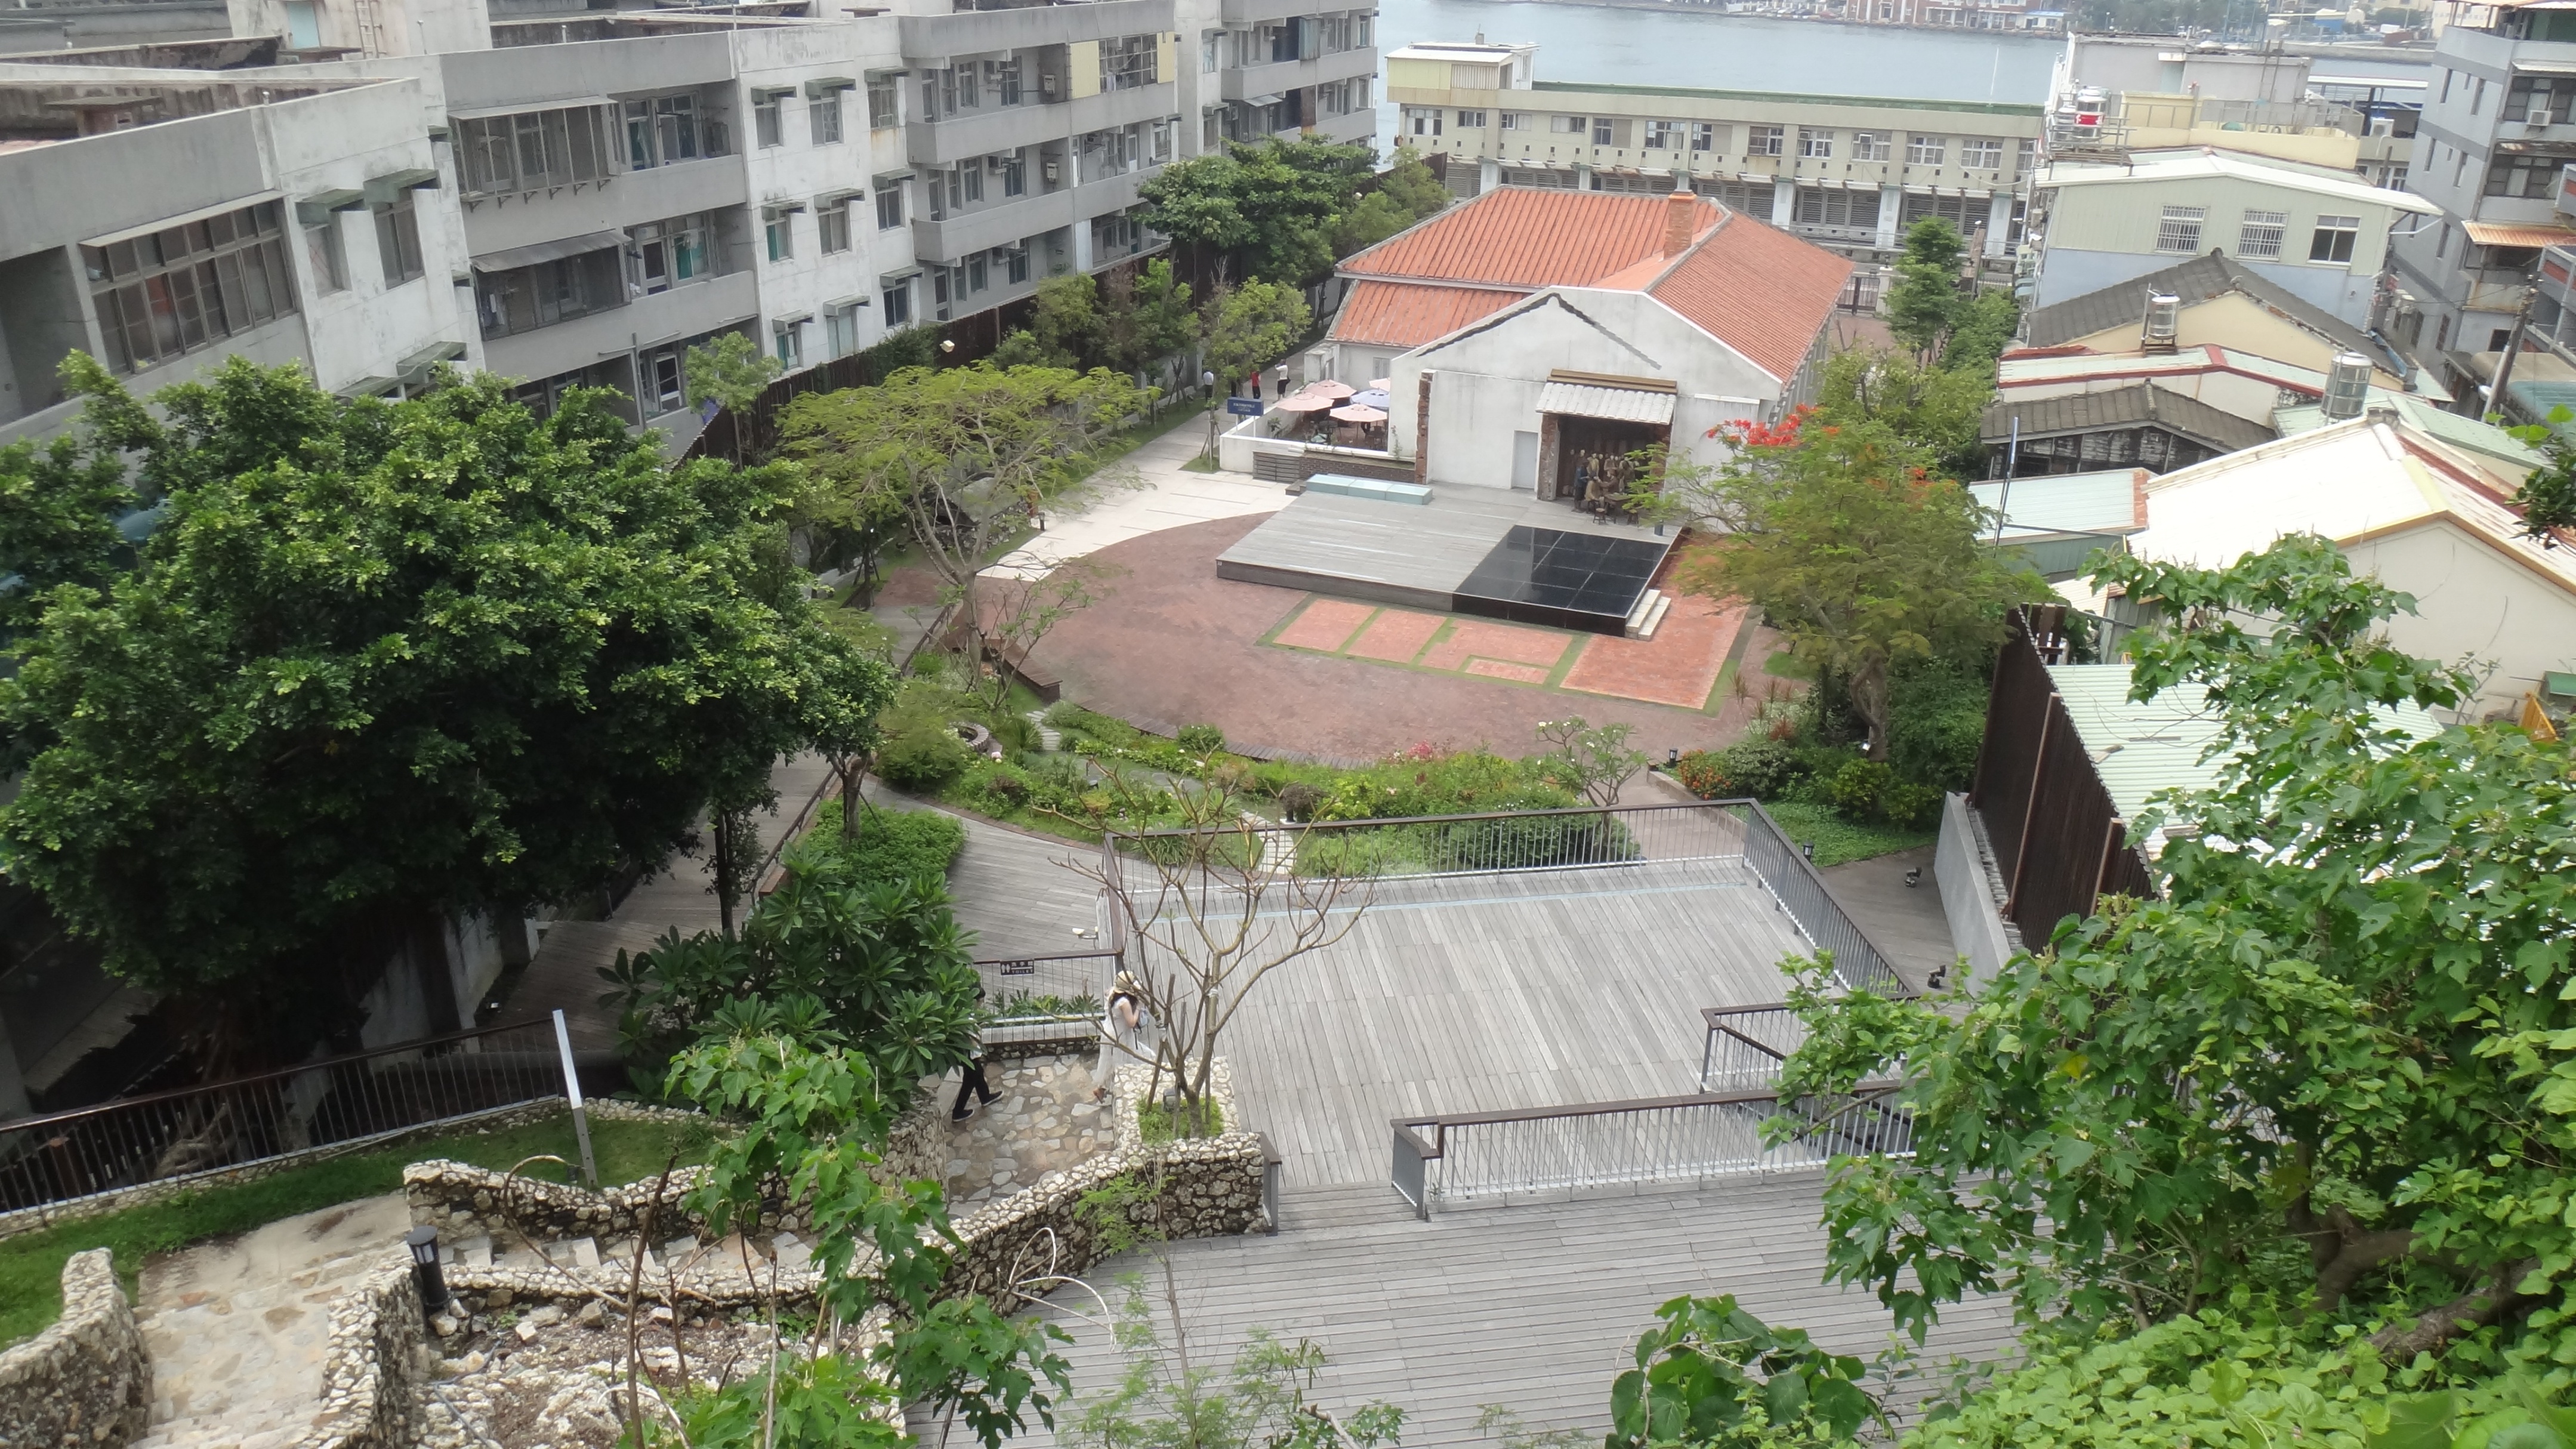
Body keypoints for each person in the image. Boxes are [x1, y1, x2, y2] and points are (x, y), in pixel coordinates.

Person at [1093, 971, 1147, 1099]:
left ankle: (1100, 1088)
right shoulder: (1124, 1003)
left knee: (1107, 1061)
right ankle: (1122, 1087)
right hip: (1120, 1035)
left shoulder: (1112, 993)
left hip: (1108, 1031)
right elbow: (1132, 1023)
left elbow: (1107, 992)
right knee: (1121, 1061)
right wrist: (1139, 1007)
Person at [952, 982, 997, 1122]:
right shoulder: (967, 1018)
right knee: (970, 1080)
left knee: (978, 1075)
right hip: (970, 1055)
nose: (981, 1004)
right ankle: (958, 1112)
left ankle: (985, 1097)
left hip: (971, 1055)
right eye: (980, 1001)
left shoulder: (966, 1013)